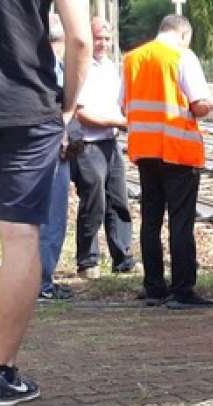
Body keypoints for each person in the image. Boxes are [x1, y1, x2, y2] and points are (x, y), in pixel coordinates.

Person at [0, 0, 90, 406]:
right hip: (27, 107)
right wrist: (68, 107)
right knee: (21, 235)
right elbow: (79, 39)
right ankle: (2, 376)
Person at [122, 15, 213, 309]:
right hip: (176, 150)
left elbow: (123, 104)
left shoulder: (132, 59)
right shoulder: (183, 56)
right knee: (180, 221)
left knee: (151, 220)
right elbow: (199, 104)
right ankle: (183, 290)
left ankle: (154, 287)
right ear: (184, 34)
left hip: (144, 150)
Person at [71, 17, 134, 280]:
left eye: (107, 38)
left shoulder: (112, 68)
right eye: (98, 38)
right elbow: (81, 112)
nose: (103, 43)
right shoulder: (80, 67)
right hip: (87, 144)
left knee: (119, 200)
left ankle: (123, 258)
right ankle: (88, 261)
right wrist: (119, 122)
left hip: (110, 142)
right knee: (93, 201)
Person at [39, 13, 75, 301]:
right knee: (50, 218)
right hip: (50, 149)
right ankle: (42, 283)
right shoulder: (56, 69)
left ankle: (39, 281)